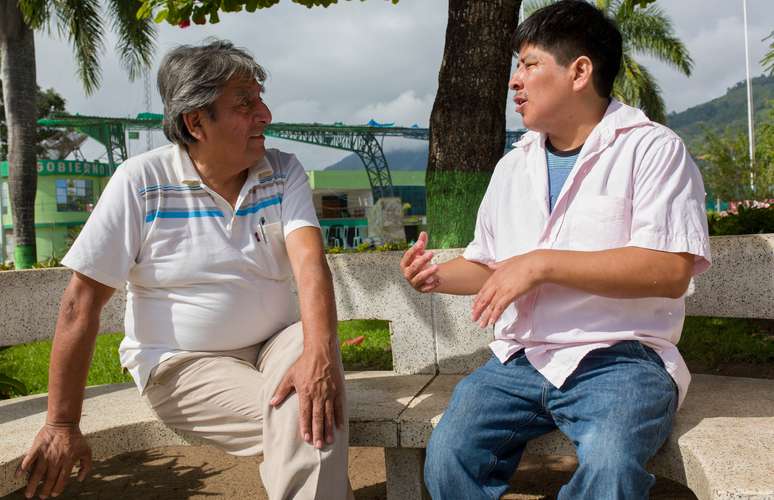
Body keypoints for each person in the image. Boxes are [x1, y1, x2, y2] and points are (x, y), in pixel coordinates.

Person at [16, 40, 352, 500]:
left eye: (261, 98)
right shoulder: (141, 183)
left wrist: (318, 353)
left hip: (278, 340)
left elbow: (310, 264)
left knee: (315, 389)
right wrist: (61, 423)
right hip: (181, 363)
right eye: (245, 104)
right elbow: (81, 303)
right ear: (196, 122)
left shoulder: (283, 171)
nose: (266, 114)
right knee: (309, 418)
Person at [400, 1, 711, 498]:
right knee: (449, 456)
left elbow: (668, 269)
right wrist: (436, 276)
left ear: (580, 71)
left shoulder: (651, 149)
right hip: (520, 360)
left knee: (610, 467)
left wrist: (542, 265)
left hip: (622, 358)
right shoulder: (512, 167)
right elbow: (490, 265)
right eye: (515, 67)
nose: (514, 81)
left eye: (529, 64)